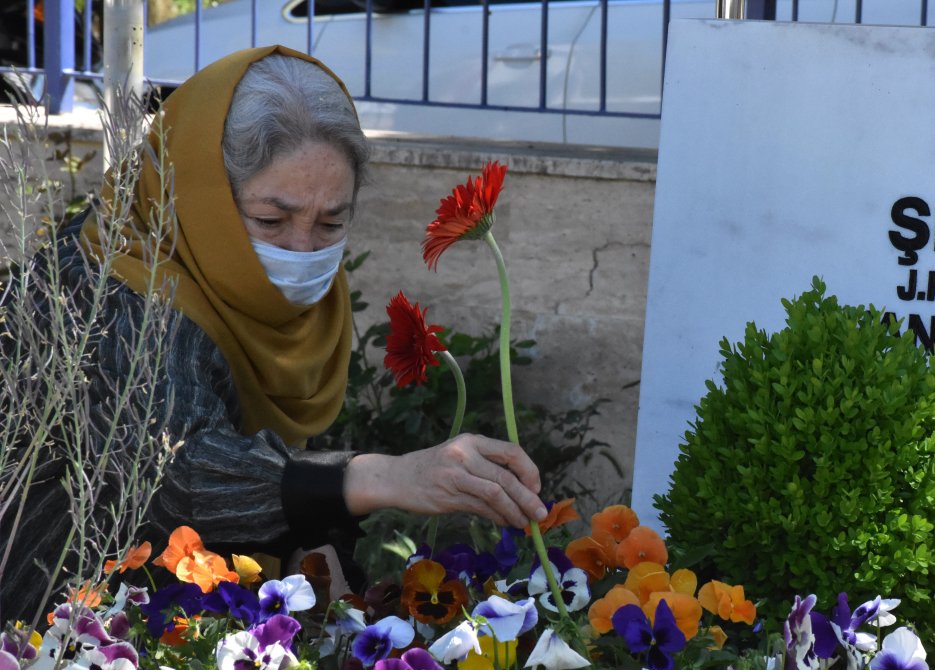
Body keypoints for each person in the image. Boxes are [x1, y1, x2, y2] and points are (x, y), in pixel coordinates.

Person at [0, 46, 547, 623]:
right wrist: (384, 475)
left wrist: (317, 563)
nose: (302, 249)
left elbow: (280, 476)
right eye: (270, 220)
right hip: (50, 637)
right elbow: (173, 473)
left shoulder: (294, 306)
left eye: (331, 222)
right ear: (196, 198)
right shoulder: (103, 293)